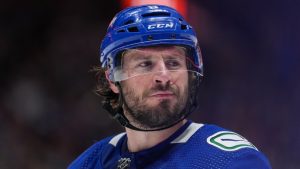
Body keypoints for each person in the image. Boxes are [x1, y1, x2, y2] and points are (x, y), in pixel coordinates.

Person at [68, 5, 272, 169]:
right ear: (113, 80)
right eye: (145, 64)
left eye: (173, 63)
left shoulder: (231, 161)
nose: (163, 76)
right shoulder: (90, 162)